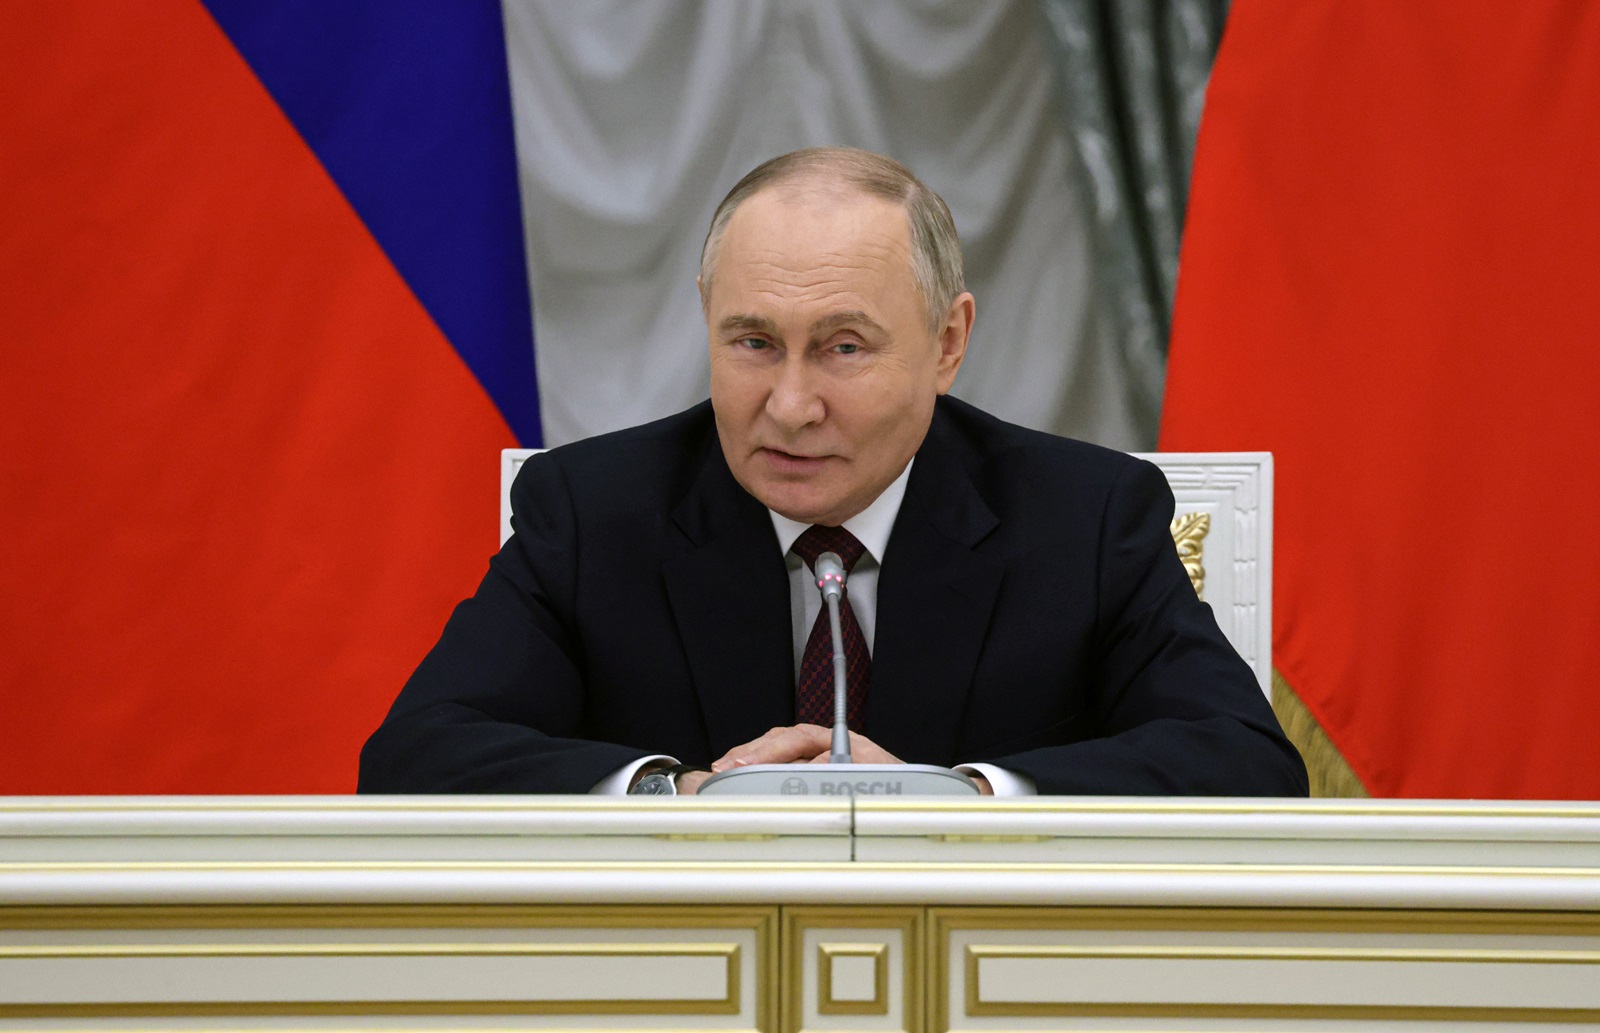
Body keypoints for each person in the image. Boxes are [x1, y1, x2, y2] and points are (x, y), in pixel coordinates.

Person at [358, 147, 1307, 797]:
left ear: (948, 341)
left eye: (844, 347)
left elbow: (1244, 762)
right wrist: (677, 793)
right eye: (754, 342)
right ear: (706, 317)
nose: (791, 404)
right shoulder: (592, 511)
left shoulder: (1087, 517)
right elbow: (416, 756)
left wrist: (959, 799)